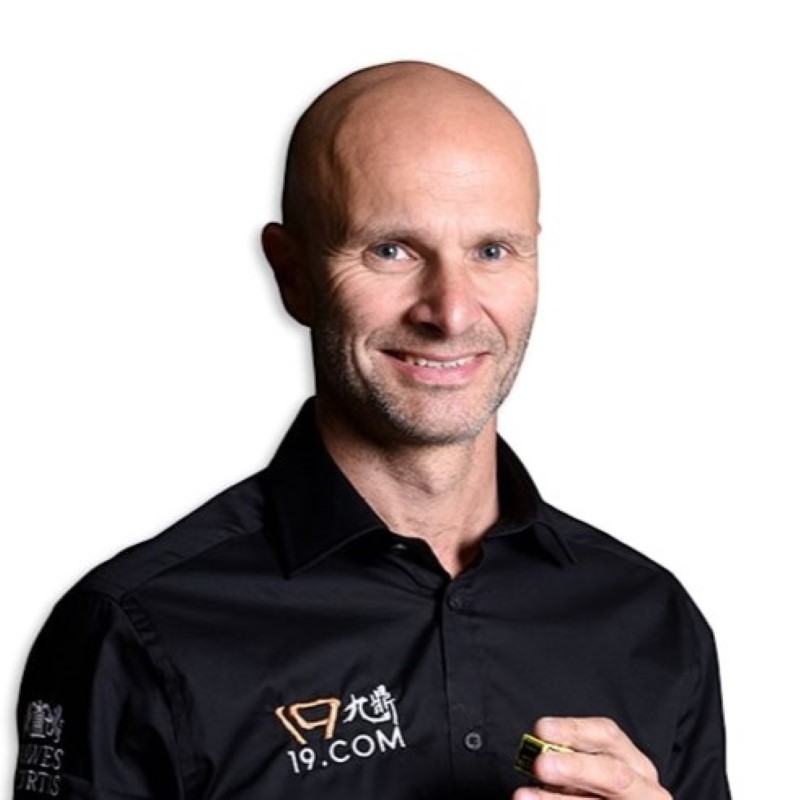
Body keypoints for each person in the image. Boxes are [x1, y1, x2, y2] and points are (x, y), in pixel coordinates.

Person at [13, 61, 730, 800]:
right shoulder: (133, 630)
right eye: (392, 250)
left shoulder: (652, 618)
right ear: (293, 274)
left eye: (492, 250)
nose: (451, 312)